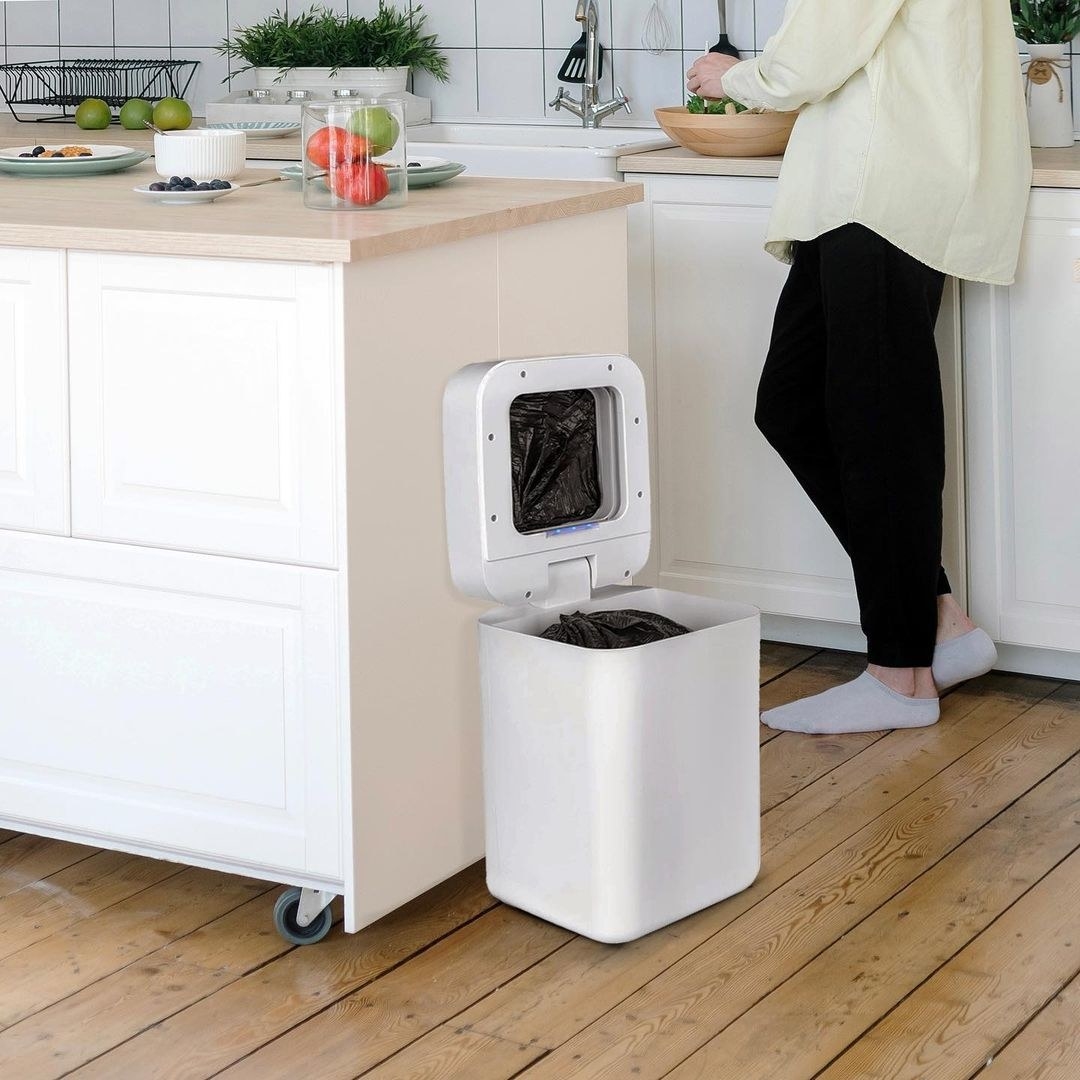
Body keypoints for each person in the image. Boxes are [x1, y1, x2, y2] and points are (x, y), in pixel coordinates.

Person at [686, 0, 1032, 735]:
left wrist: (734, 76)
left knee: (878, 430)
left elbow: (812, 54)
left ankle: (899, 676)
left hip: (881, 184)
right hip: (871, 186)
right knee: (794, 403)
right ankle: (940, 623)